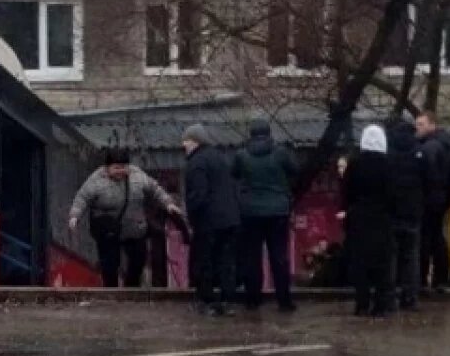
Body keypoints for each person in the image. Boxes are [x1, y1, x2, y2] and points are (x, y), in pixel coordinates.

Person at [69, 148, 184, 287]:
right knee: (110, 265)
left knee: (138, 261)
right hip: (109, 229)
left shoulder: (138, 177)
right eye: (116, 168)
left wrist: (168, 204)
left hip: (134, 227)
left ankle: (131, 290)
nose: (120, 171)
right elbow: (82, 198)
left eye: (123, 167)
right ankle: (112, 292)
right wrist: (75, 216)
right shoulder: (96, 180)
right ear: (107, 168)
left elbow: (155, 190)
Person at [232, 119, 298, 313]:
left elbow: (234, 174)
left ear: (250, 134)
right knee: (279, 256)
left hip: (250, 212)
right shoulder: (281, 153)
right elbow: (294, 170)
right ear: (269, 133)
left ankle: (253, 299)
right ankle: (284, 301)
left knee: (252, 256)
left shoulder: (241, 155)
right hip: (278, 211)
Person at [183, 124, 241, 315]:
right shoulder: (221, 157)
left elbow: (198, 194)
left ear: (195, 141)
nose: (184, 145)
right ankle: (228, 300)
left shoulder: (196, 162)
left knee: (204, 261)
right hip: (230, 219)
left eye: (186, 141)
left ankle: (207, 301)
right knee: (226, 261)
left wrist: (191, 216)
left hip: (208, 221)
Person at [343, 125, 395, 317]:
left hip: (359, 218)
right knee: (382, 263)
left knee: (360, 262)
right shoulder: (388, 164)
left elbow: (346, 191)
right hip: (382, 218)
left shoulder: (355, 164)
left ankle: (362, 303)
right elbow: (393, 193)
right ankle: (381, 304)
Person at [387, 119, 427, 311]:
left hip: (391, 211)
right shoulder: (419, 153)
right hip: (413, 211)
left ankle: (389, 295)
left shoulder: (388, 154)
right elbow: (429, 180)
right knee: (411, 255)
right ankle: (409, 297)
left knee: (391, 255)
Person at [416, 112, 450, 293]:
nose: (417, 128)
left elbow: (428, 176)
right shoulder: (447, 145)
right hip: (442, 199)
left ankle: (423, 279)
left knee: (426, 239)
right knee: (438, 237)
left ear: (432, 124)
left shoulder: (429, 148)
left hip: (429, 200)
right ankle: (441, 278)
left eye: (421, 124)